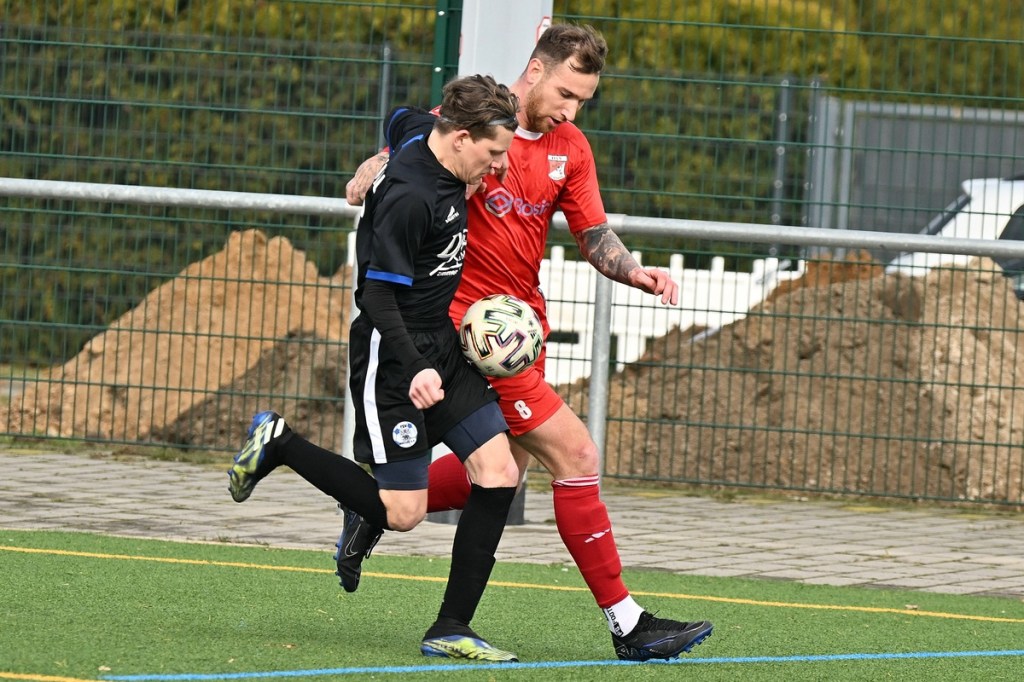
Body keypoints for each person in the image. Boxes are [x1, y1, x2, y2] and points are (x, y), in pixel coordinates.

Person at [340, 24, 714, 662]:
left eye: (584, 100)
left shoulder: (572, 147)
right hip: (475, 333)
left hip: (521, 329)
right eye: (567, 93)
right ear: (535, 70)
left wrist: (636, 272)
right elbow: (402, 149)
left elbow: (593, 234)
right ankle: (628, 624)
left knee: (500, 465)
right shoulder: (480, 129)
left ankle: (375, 511)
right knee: (576, 453)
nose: (572, 110)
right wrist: (371, 170)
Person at [227, 74, 523, 663]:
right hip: (393, 357)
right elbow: (376, 297)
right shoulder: (412, 198)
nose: (499, 167)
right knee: (402, 513)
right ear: (461, 137)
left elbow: (399, 116)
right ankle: (280, 443)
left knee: (498, 472)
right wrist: (414, 367)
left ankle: (451, 626)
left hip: (441, 344)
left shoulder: (422, 133)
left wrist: (375, 159)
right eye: (493, 153)